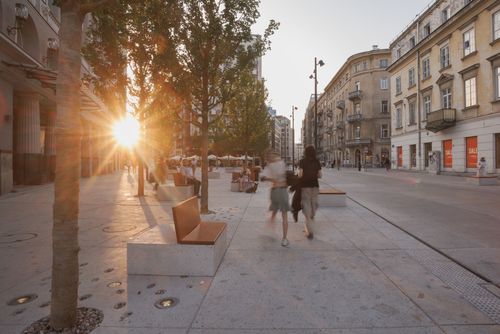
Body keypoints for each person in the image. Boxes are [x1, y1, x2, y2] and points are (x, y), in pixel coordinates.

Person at [261, 150, 290, 247]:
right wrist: (273, 178)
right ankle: (284, 238)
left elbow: (262, 177)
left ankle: (272, 232)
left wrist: (270, 178)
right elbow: (280, 176)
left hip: (275, 191)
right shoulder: (279, 163)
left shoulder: (270, 165)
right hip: (280, 191)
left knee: (274, 213)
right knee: (283, 215)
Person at [298, 145, 322, 239]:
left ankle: (309, 230)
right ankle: (311, 219)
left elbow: (300, 174)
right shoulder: (317, 161)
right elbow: (320, 175)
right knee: (313, 205)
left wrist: (300, 176)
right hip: (315, 186)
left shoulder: (302, 161)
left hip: (305, 186)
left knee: (306, 206)